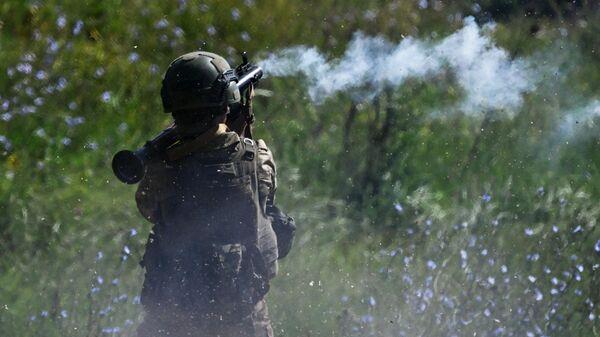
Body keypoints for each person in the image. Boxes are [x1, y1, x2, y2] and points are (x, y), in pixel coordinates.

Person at [134, 51, 295, 337]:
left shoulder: (160, 165)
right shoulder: (255, 157)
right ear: (226, 104)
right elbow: (264, 196)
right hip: (243, 319)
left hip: (173, 316)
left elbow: (148, 208)